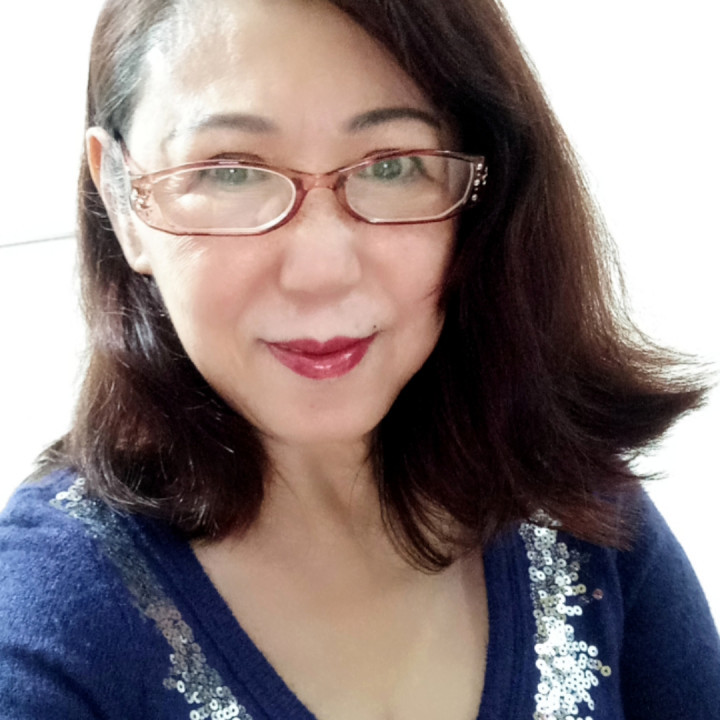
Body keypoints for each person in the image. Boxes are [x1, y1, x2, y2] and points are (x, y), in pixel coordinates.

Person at [1, 0, 718, 717]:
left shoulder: (578, 507)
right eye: (230, 171)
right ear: (122, 201)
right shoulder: (51, 616)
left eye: (392, 165)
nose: (321, 270)